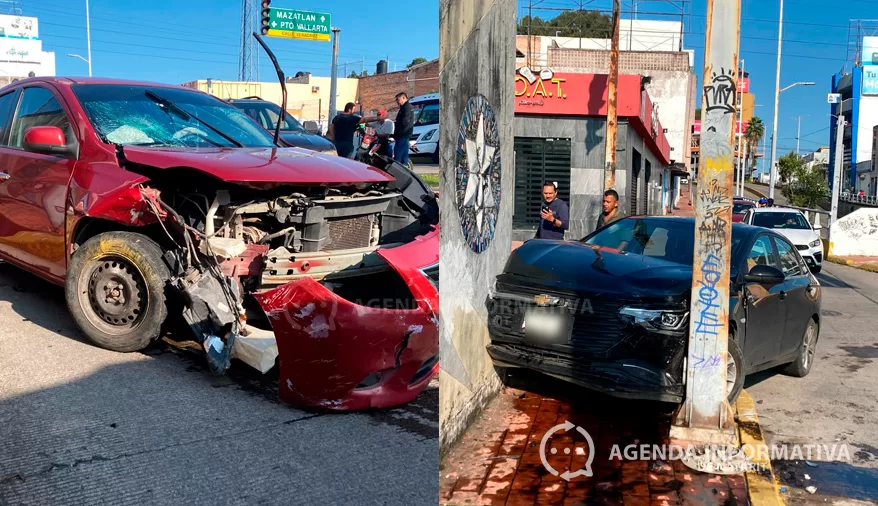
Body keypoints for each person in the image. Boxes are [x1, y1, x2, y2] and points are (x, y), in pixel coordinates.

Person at [392, 92, 414, 165]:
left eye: (398, 100)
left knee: (399, 155)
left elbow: (405, 121)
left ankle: (399, 167)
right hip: (402, 134)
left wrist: (398, 130)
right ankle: (404, 166)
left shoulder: (407, 107)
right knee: (403, 154)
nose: (397, 102)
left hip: (403, 134)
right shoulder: (404, 107)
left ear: (403, 98)